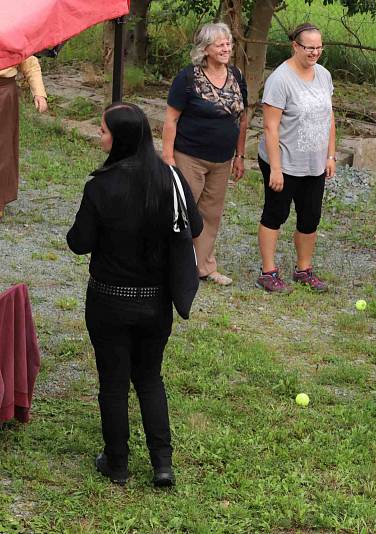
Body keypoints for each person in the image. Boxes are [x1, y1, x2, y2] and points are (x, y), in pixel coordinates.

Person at [67, 103, 203, 487]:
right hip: (156, 302)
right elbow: (194, 226)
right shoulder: (170, 178)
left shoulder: (100, 186)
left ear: (120, 138)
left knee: (113, 383)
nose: (100, 135)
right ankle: (163, 465)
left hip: (109, 301)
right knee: (149, 379)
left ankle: (118, 463)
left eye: (103, 130)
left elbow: (79, 243)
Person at [162, 22, 248, 286]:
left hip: (222, 159)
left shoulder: (236, 75)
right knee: (182, 212)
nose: (226, 48)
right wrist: (168, 157)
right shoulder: (188, 78)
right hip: (190, 156)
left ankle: (204, 267)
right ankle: (170, 267)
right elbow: (171, 119)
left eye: (229, 43)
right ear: (205, 48)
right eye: (220, 44)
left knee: (211, 214)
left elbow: (242, 118)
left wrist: (240, 155)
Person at [256, 22, 336, 293]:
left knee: (310, 216)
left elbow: (329, 117)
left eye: (318, 48)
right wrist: (276, 168)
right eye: (309, 47)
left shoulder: (324, 75)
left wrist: (330, 155)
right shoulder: (280, 80)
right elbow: (270, 126)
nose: (314, 53)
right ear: (295, 46)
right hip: (284, 159)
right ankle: (268, 272)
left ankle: (304, 269)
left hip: (314, 162)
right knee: (276, 213)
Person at [0, 56, 48, 219]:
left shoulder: (11, 32)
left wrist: (39, 94)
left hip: (4, 93)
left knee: (3, 144)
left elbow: (30, 62)